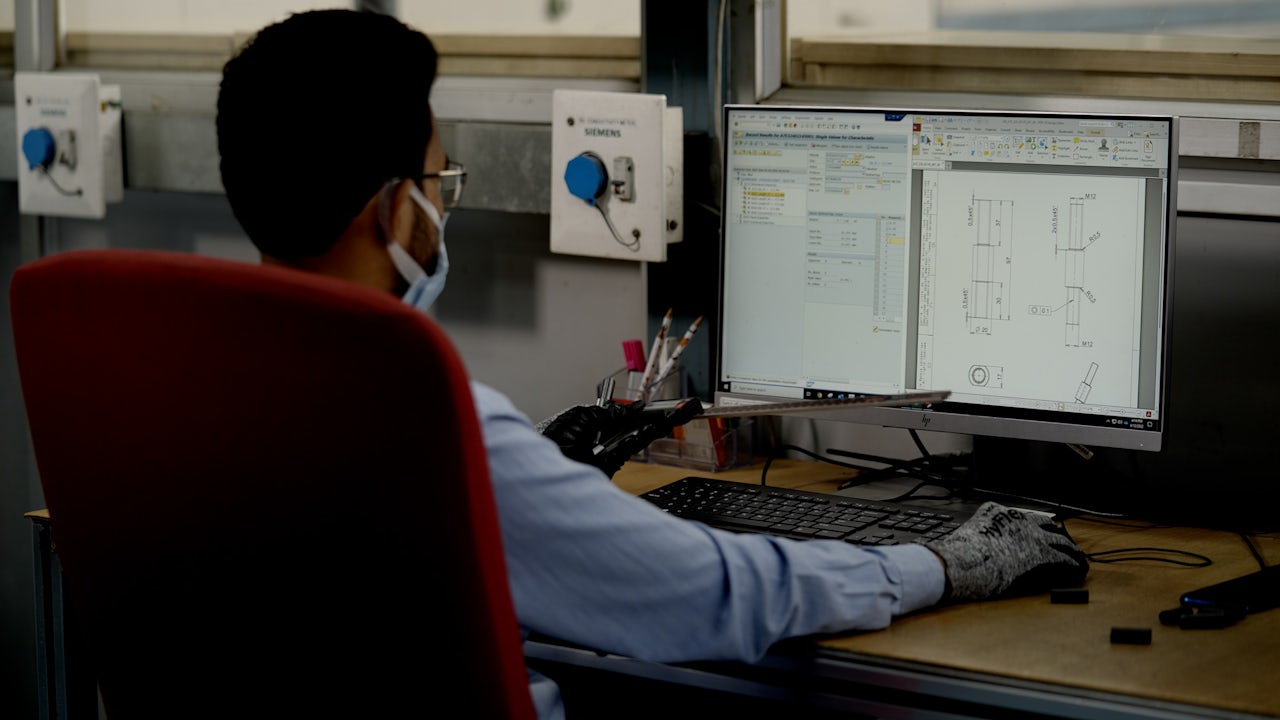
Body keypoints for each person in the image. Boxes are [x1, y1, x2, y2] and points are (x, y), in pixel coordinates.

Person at [216, 10, 1088, 719]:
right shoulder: (424, 423)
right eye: (442, 184)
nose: (442, 210)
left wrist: (535, 488)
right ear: (396, 209)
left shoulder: (190, 386)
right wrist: (945, 563)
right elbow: (716, 595)